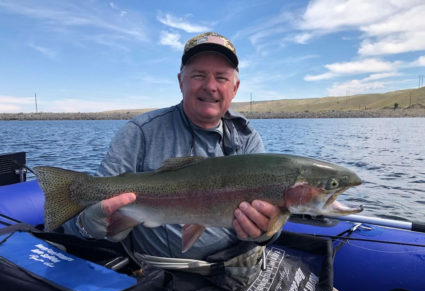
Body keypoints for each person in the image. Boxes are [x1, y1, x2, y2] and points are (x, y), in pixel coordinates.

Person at [64, 32, 282, 260]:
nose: (210, 86)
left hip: (235, 268)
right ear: (180, 82)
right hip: (157, 273)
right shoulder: (141, 132)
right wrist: (87, 224)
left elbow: (271, 226)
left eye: (221, 78)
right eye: (199, 75)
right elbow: (79, 223)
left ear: (235, 88)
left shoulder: (248, 139)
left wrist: (265, 233)